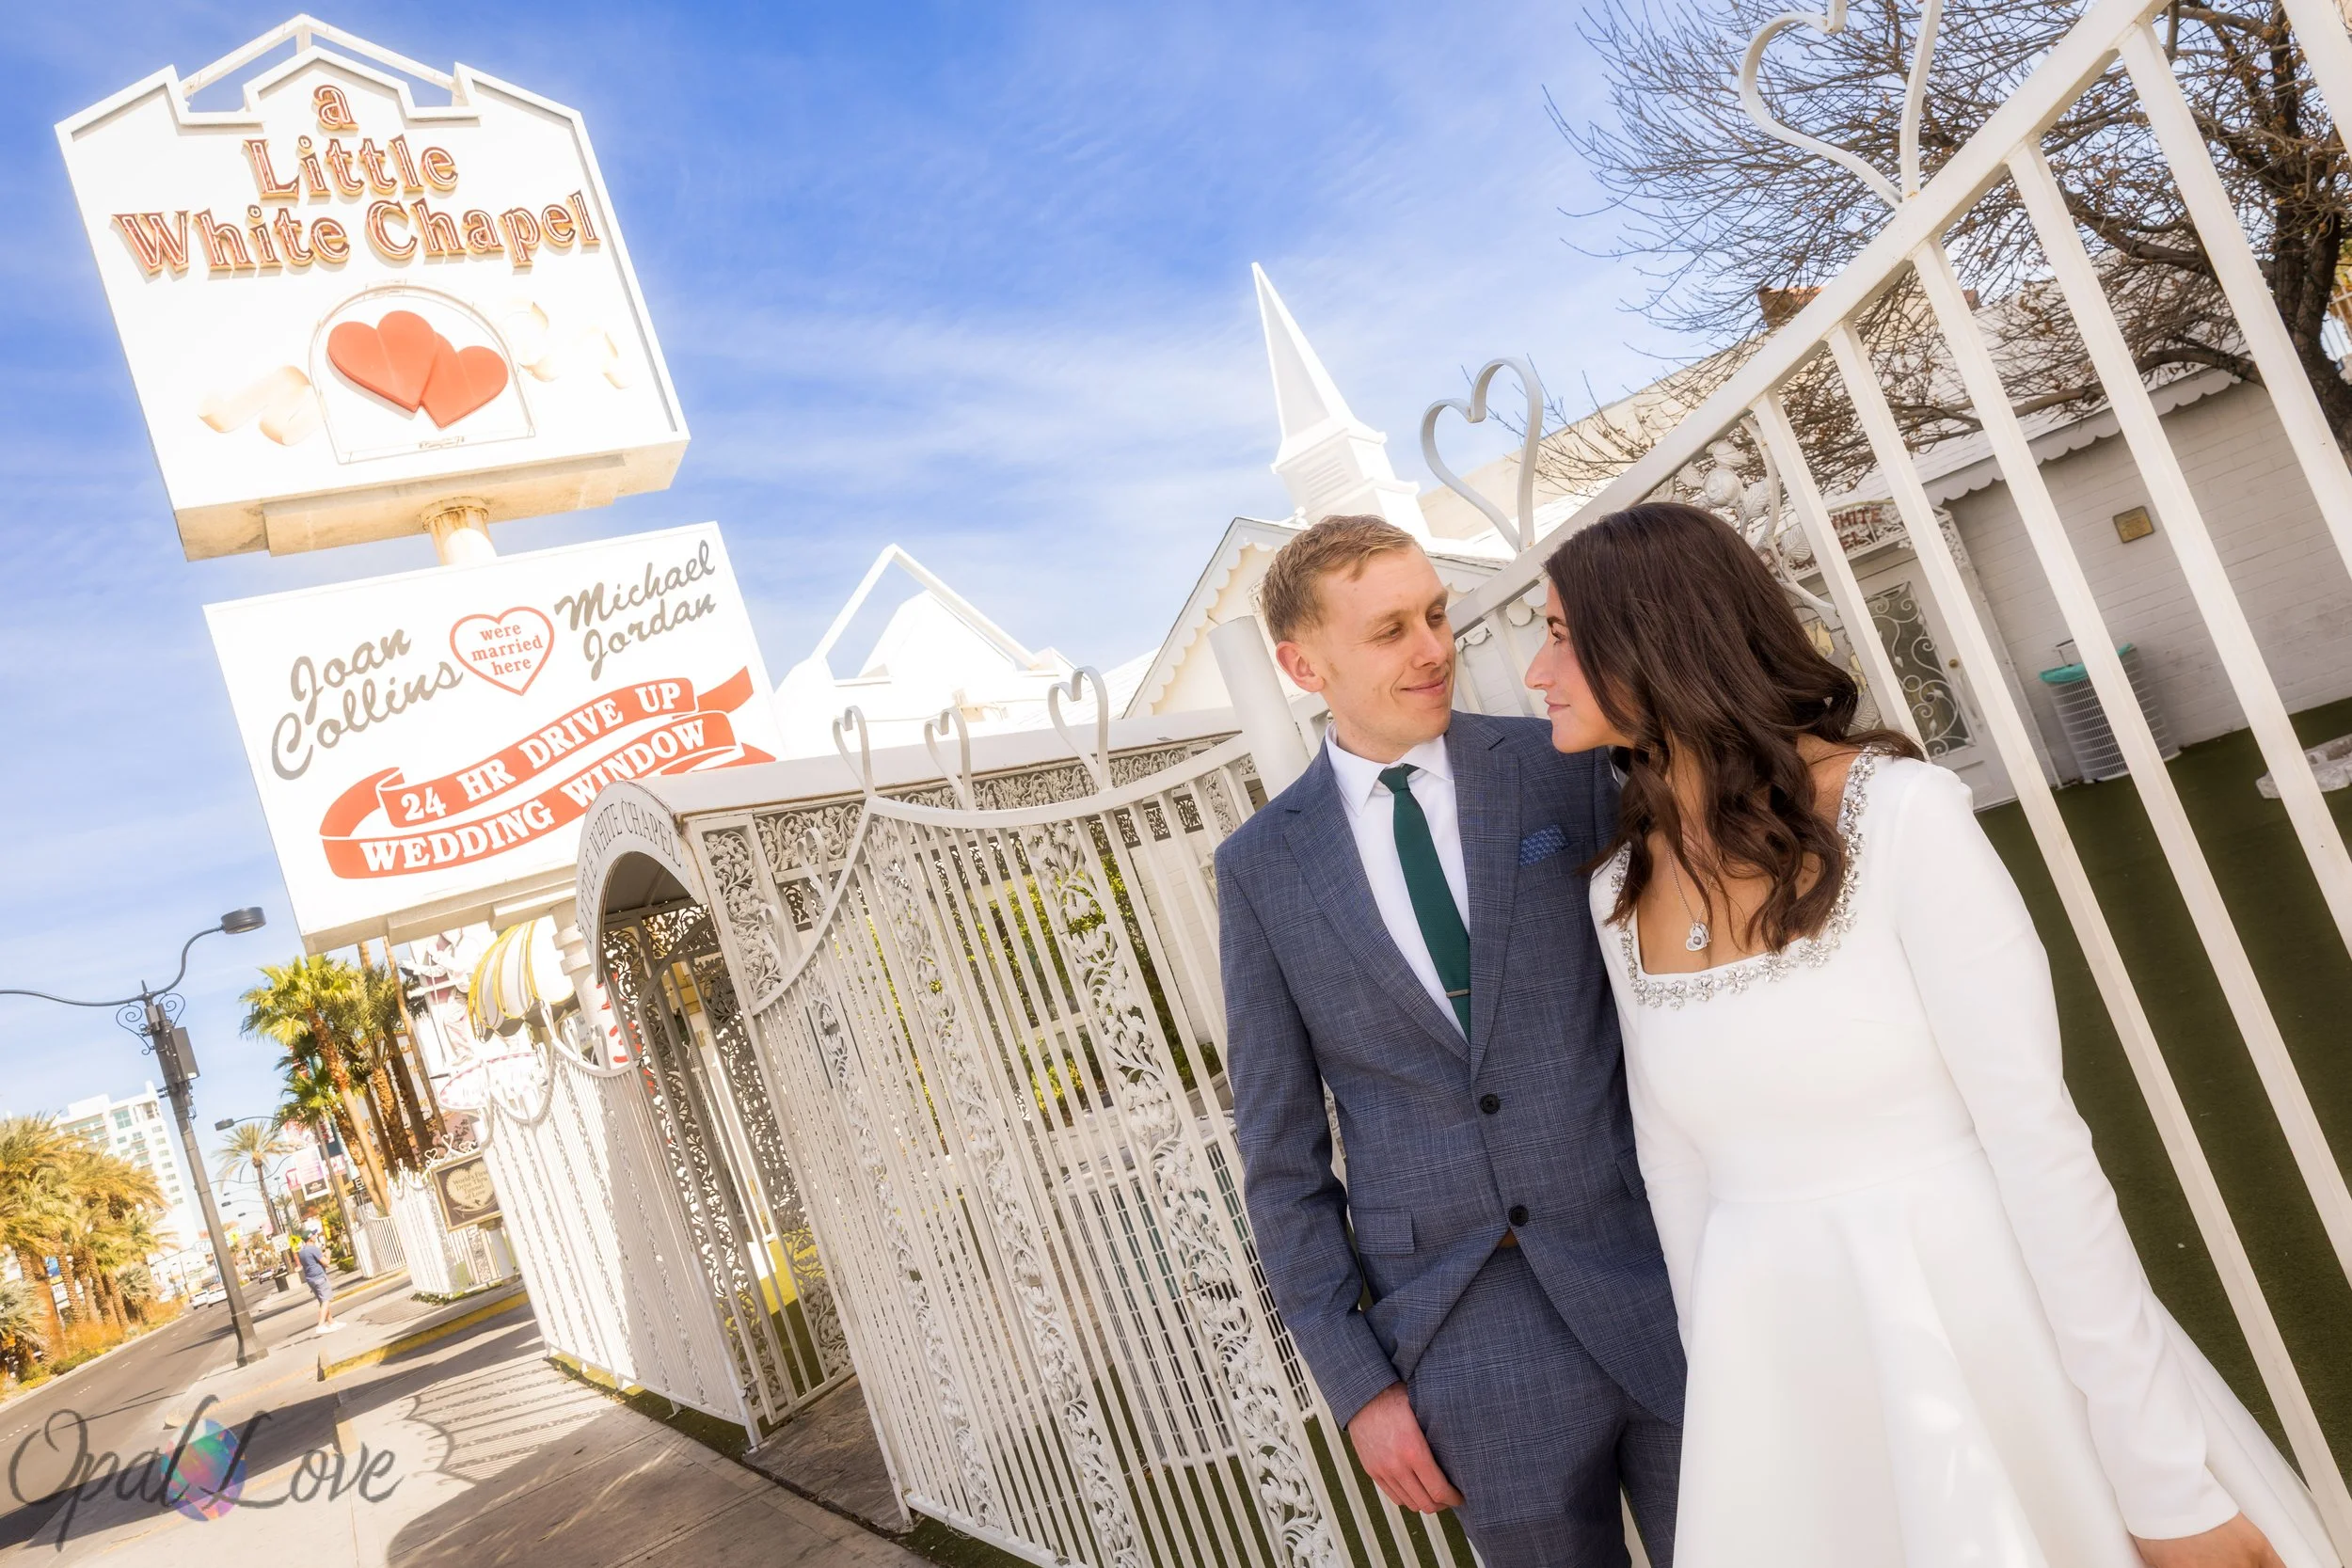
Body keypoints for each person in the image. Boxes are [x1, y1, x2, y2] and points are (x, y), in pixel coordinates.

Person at [1524, 499, 2336, 1568]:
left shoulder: (1905, 816)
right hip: (1784, 1376)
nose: (1537, 672)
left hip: (1981, 1333)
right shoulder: (1617, 894)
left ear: (1657, 638)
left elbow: (2039, 1145)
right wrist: (1735, 1401)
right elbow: (1676, 1170)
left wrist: (2159, 1477)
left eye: (1560, 633)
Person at [1217, 514, 1685, 1566]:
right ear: (1304, 663)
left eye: (1435, 614)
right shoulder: (1261, 868)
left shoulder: (1564, 766)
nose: (1434, 646)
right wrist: (1359, 1383)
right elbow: (1281, 1157)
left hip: (1656, 1270)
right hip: (1464, 1334)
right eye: (1389, 630)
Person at [297, 1227, 339, 1334]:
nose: (316, 1236)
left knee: (322, 1300)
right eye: (314, 1235)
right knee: (326, 1300)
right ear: (310, 1238)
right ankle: (320, 1325)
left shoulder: (302, 1252)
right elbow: (326, 1263)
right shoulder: (314, 1249)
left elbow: (311, 1262)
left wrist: (321, 1256)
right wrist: (328, 1255)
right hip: (319, 1277)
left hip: (311, 1279)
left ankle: (332, 1323)